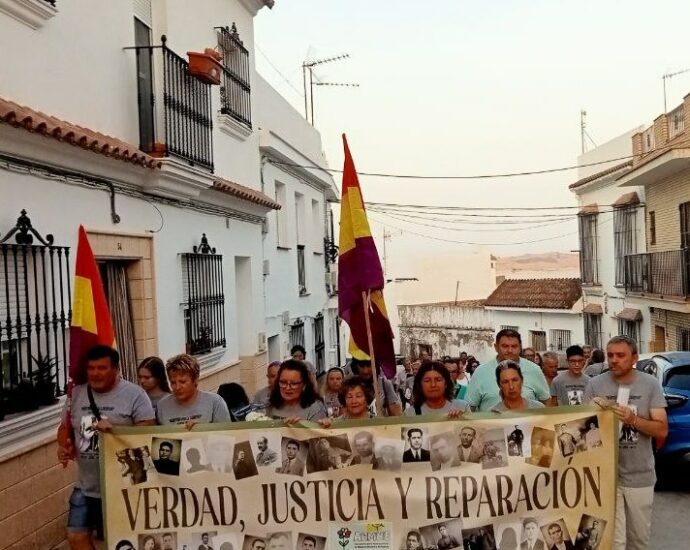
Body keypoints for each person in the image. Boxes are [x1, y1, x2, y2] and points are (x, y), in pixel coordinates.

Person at [57, 345, 155, 549]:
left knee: (126, 540)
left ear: (116, 369)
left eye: (101, 368)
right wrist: (63, 446)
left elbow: (148, 434)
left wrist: (115, 430)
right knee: (76, 536)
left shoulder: (135, 395)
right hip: (87, 484)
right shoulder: (76, 394)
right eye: (91, 368)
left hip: (126, 483)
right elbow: (65, 426)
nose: (95, 373)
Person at [584, 335, 667, 550]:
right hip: (606, 478)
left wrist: (633, 419)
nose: (614, 360)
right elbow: (582, 434)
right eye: (610, 355)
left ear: (634, 358)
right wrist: (592, 415)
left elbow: (661, 429)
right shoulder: (594, 384)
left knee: (638, 540)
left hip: (640, 476)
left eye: (621, 355)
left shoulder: (650, 385)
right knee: (614, 542)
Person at [466, 329, 550, 411]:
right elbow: (469, 407)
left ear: (520, 347)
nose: (510, 350)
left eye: (514, 346)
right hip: (491, 424)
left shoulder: (534, 369)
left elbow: (546, 402)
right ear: (496, 347)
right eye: (505, 346)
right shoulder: (481, 372)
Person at [156, 354, 231, 428]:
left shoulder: (215, 403)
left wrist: (202, 430)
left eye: (183, 382)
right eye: (173, 382)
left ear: (195, 380)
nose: (177, 387)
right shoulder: (162, 406)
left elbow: (227, 436)